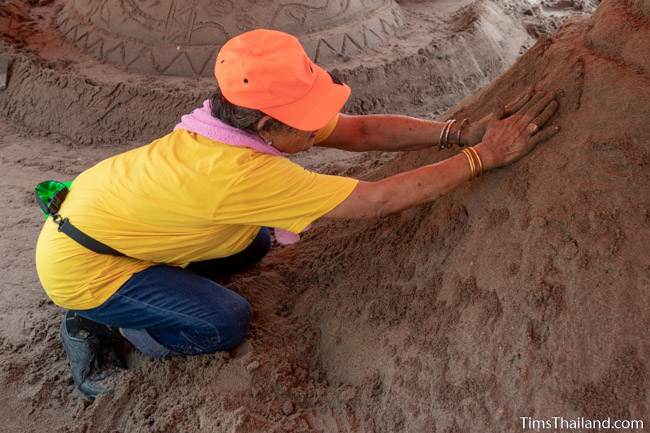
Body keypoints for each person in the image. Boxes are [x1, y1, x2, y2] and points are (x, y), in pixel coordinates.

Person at [35, 29, 560, 399]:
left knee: (256, 242)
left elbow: (356, 131)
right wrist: (482, 158)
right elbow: (375, 199)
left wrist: (458, 132)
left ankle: (159, 284)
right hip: (86, 266)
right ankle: (104, 322)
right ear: (266, 124)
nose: (318, 130)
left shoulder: (234, 119)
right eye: (307, 125)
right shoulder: (240, 174)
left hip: (109, 218)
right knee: (224, 321)